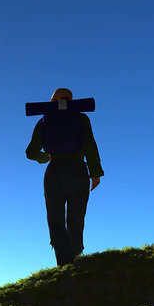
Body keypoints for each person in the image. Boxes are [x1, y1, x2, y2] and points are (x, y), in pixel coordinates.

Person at [25, 87, 103, 266]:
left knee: (55, 218)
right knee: (76, 216)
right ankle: (76, 259)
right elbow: (90, 146)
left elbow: (30, 152)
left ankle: (63, 264)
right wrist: (95, 173)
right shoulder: (81, 117)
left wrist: (45, 157)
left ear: (52, 101)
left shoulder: (44, 120)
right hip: (78, 171)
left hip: (54, 172)